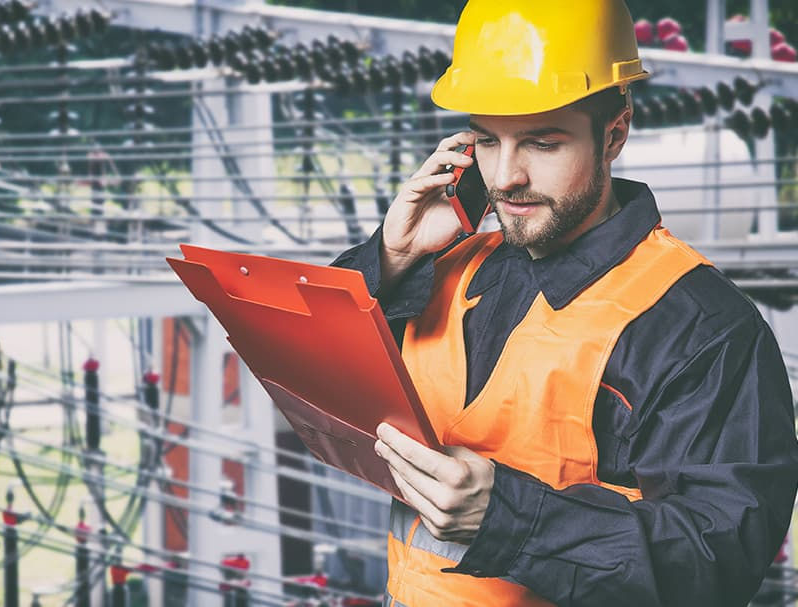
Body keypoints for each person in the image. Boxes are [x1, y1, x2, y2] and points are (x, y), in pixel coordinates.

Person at [330, 1, 798, 605]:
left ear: (614, 136)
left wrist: (508, 519)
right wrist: (391, 259)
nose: (505, 177)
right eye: (486, 142)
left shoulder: (700, 327)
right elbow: (318, 378)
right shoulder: (445, 264)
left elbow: (718, 559)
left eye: (542, 143)